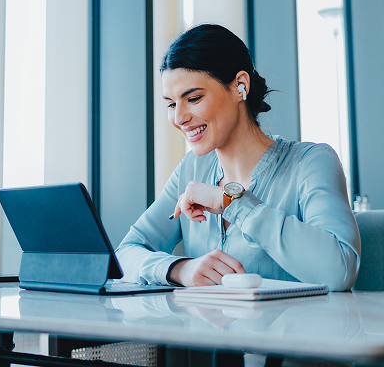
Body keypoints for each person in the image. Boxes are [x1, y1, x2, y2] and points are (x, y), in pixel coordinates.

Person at [115, 24, 360, 292]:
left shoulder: (312, 163)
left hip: (288, 332)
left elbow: (340, 271)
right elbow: (125, 253)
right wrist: (180, 269)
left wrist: (234, 202)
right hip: (201, 334)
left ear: (240, 86)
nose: (179, 118)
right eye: (172, 104)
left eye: (193, 98)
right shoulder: (191, 170)